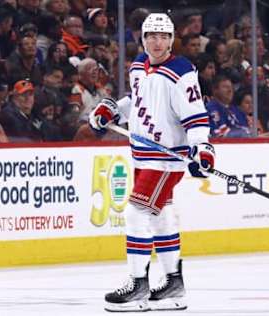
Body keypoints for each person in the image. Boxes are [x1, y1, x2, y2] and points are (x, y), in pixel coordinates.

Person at [88, 13, 214, 312]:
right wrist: (113, 110)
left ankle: (138, 285)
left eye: (163, 36)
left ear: (171, 40)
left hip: (166, 158)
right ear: (143, 39)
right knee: (160, 214)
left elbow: (196, 116)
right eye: (151, 36)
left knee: (136, 213)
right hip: (142, 154)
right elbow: (138, 99)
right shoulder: (138, 65)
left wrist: (202, 148)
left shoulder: (182, 72)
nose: (157, 42)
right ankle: (173, 285)